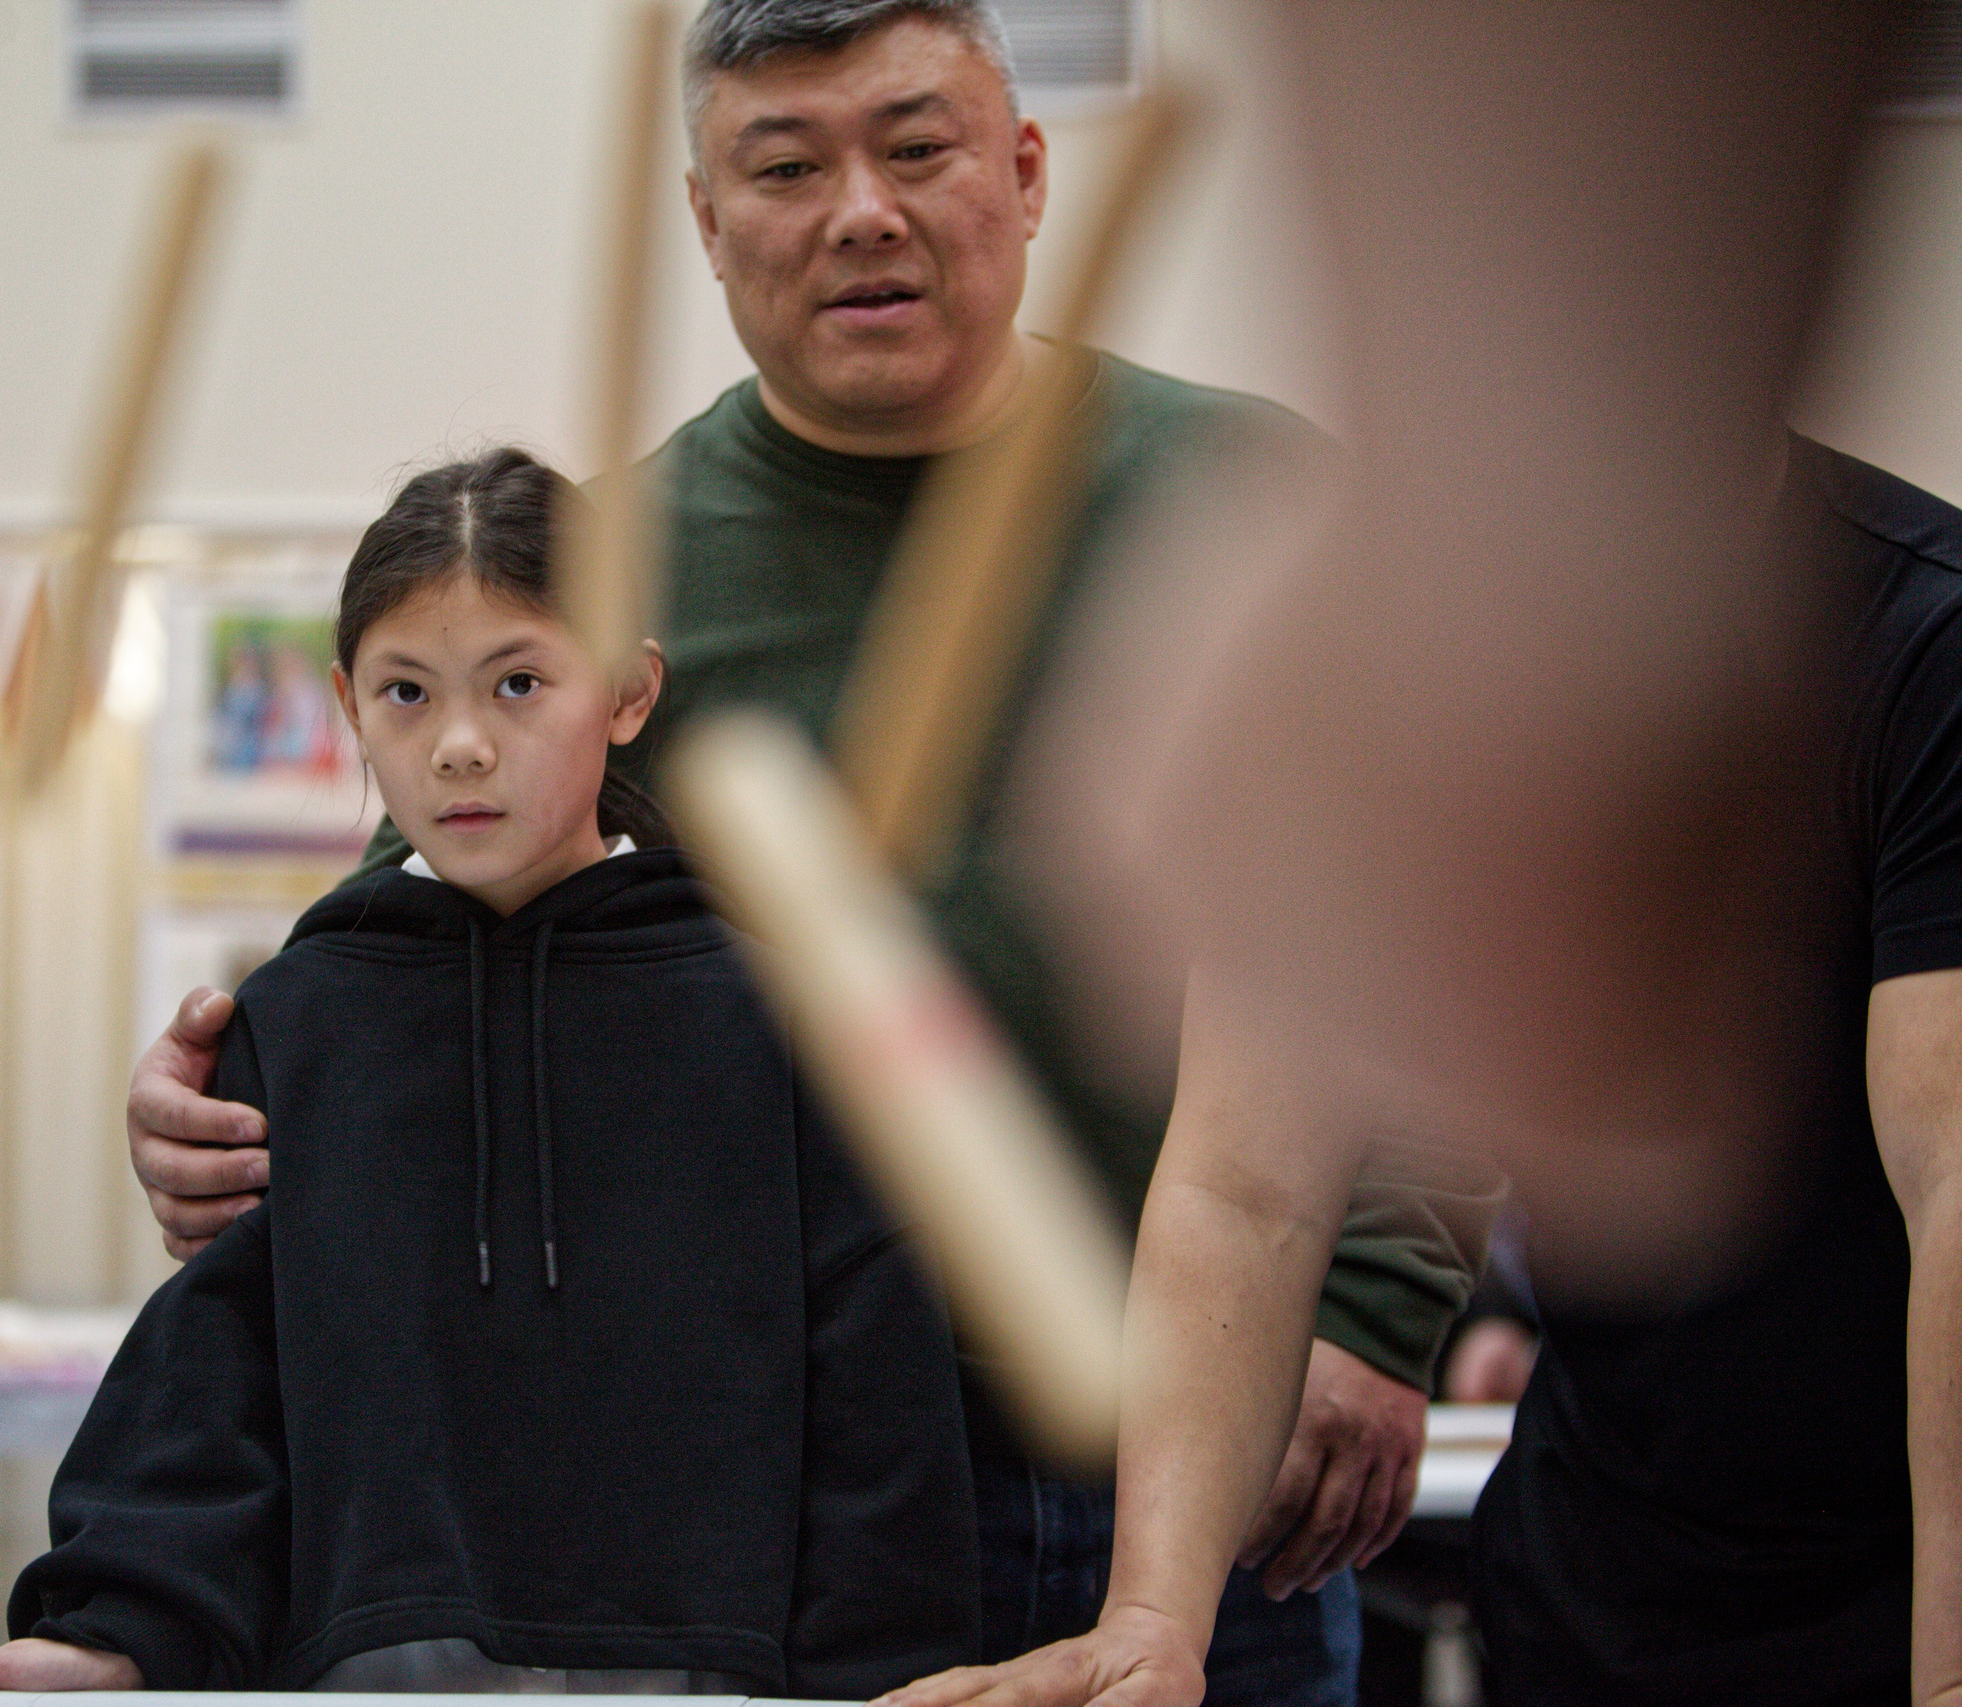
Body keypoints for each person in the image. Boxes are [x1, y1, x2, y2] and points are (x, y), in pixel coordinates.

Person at [122, 7, 1494, 1704]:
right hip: (782, 1482)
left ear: (1027, 168)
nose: (861, 211)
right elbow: (418, 961)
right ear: (704, 217)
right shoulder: (602, 578)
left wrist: (1368, 1306)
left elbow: (1451, 922)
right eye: (785, 165)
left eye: (916, 148)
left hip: (1213, 1449)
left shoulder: (1253, 500)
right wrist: (226, 1104)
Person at [881, 437, 1962, 1706]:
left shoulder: (1918, 641)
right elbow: (1249, 1183)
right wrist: (1152, 1618)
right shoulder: (1365, 654)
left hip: (1896, 1576)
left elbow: (1949, 1181)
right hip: (1605, 1574)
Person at [0, 449, 978, 1696]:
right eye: (406, 693)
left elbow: (876, 1383)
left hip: (720, 1680)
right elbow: (220, 1384)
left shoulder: (779, 1012)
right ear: (345, 706)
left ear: (630, 691)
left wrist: (878, 1675)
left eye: (519, 682)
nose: (462, 745)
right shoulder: (299, 1022)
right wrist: (111, 1634)